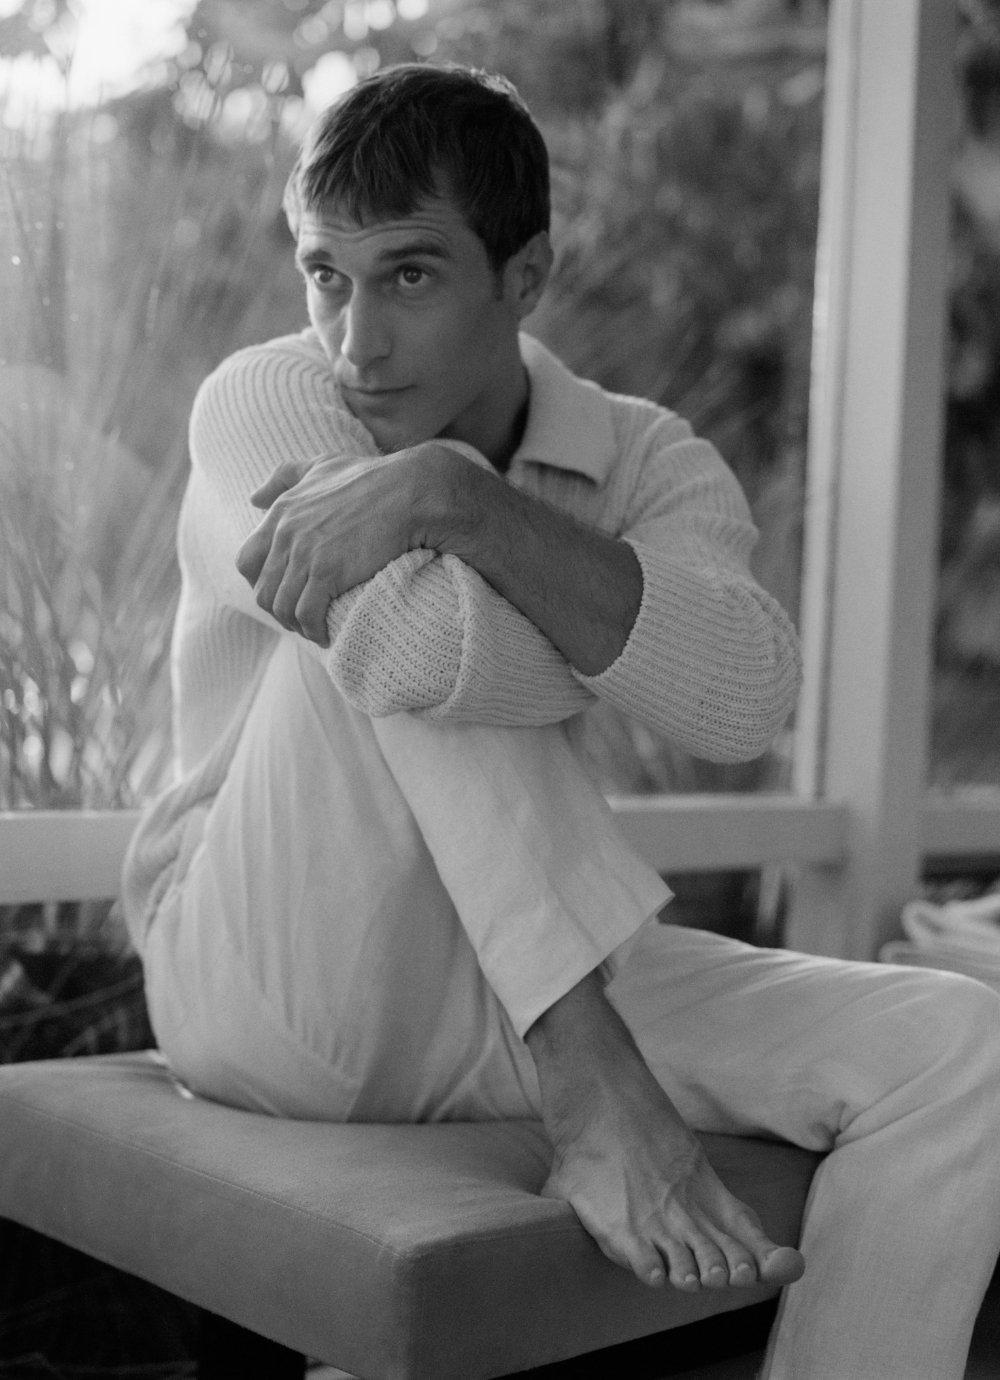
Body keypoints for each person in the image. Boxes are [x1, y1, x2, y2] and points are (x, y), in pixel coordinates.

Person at [123, 63, 1000, 1378]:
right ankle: (590, 1075)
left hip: (510, 961)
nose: (356, 341)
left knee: (961, 1046)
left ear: (524, 275)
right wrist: (607, 627)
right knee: (380, 620)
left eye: (409, 274)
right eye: (325, 276)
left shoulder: (643, 456)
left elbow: (746, 699)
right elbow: (420, 655)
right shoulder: (266, 398)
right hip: (270, 973)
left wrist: (461, 498)